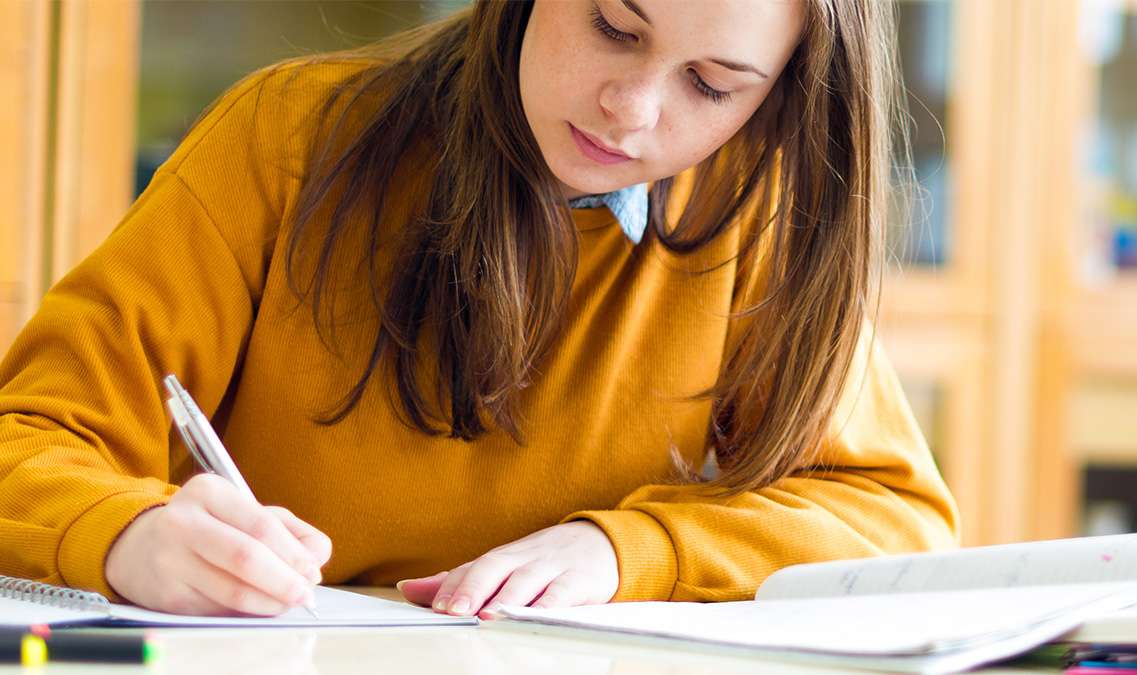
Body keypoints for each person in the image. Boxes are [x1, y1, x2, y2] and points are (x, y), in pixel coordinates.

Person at [0, 0, 958, 620]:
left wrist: (630, 550)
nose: (631, 109)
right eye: (614, 28)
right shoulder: (283, 139)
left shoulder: (751, 216)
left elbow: (891, 516)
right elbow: (24, 441)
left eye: (711, 86)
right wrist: (127, 533)